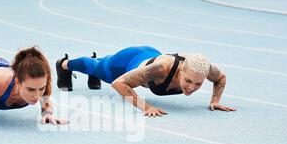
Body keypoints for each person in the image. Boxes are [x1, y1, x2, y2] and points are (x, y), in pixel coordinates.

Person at [56, 46, 236, 116]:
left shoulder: (203, 68)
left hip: (149, 54)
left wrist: (215, 101)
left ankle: (95, 68)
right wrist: (146, 106)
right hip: (128, 61)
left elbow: (220, 77)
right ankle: (64, 64)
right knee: (96, 66)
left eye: (198, 84)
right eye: (188, 80)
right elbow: (119, 83)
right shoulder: (161, 69)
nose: (191, 87)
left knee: (100, 64)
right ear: (182, 69)